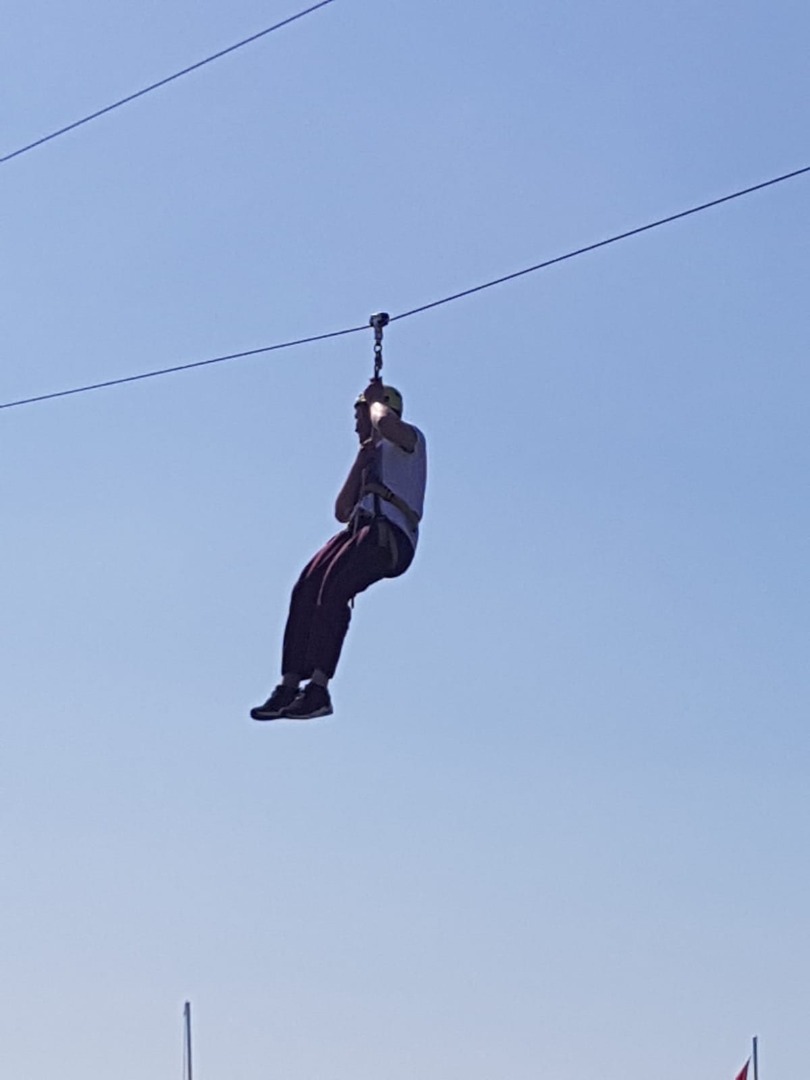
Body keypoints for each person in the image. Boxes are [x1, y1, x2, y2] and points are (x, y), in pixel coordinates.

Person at [250, 380, 427, 721]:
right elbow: (342, 510)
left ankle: (319, 687)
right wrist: (362, 460)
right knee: (307, 587)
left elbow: (386, 424)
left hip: (389, 534)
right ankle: (290, 683)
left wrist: (374, 404)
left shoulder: (409, 441)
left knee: (335, 587)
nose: (356, 425)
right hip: (360, 529)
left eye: (360, 416)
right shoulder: (372, 453)